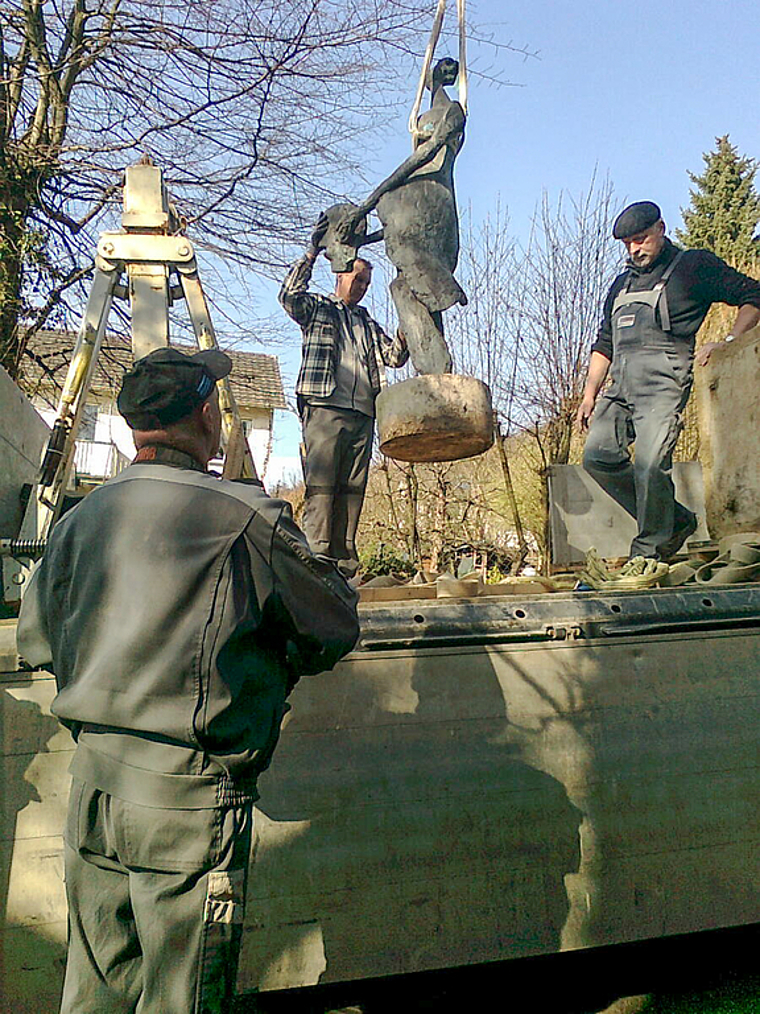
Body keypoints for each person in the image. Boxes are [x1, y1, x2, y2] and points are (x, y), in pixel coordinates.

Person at [16, 346, 359, 1014]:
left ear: (132, 429)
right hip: (185, 803)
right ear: (207, 416)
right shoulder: (246, 518)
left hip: (94, 786)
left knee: (96, 995)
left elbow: (37, 640)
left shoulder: (80, 520)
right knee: (182, 1000)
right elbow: (333, 625)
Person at [577, 201, 760, 560]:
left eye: (641, 239)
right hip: (620, 387)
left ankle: (648, 551)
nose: (635, 249)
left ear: (661, 228)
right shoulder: (621, 284)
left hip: (663, 385)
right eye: (628, 243)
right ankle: (675, 521)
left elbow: (753, 295)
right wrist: (588, 395)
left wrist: (727, 343)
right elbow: (604, 343)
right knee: (598, 458)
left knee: (649, 465)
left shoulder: (693, 266)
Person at [280, 240, 408, 575]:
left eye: (366, 282)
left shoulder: (366, 321)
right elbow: (289, 296)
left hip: (363, 414)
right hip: (324, 406)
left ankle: (345, 565)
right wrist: (310, 255)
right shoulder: (319, 308)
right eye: (357, 279)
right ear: (340, 276)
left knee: (352, 489)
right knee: (322, 486)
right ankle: (315, 560)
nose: (362, 287)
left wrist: (411, 323)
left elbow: (394, 356)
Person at [337, 56, 467, 375]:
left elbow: (427, 152)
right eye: (441, 67)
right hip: (413, 209)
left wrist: (368, 203)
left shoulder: (454, 112)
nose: (448, 70)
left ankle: (436, 369)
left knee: (413, 287)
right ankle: (435, 371)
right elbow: (397, 224)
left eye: (452, 67)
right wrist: (363, 236)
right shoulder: (423, 114)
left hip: (435, 207)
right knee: (409, 288)